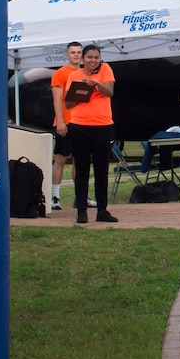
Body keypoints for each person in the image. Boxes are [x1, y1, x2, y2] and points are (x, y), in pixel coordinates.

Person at [65, 44, 117, 224]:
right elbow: (68, 104)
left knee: (101, 170)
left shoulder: (106, 70)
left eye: (96, 57)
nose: (93, 60)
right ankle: (81, 211)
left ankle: (102, 210)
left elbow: (109, 92)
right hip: (79, 126)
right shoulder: (74, 75)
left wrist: (97, 84)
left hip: (103, 126)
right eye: (89, 57)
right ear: (82, 59)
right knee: (82, 170)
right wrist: (80, 90)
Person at [49, 41, 84, 205]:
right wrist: (60, 122)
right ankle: (55, 197)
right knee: (61, 159)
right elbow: (57, 100)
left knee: (80, 159)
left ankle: (80, 196)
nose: (76, 55)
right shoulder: (60, 73)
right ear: (67, 55)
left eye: (78, 52)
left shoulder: (86, 73)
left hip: (82, 122)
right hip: (65, 122)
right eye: (73, 52)